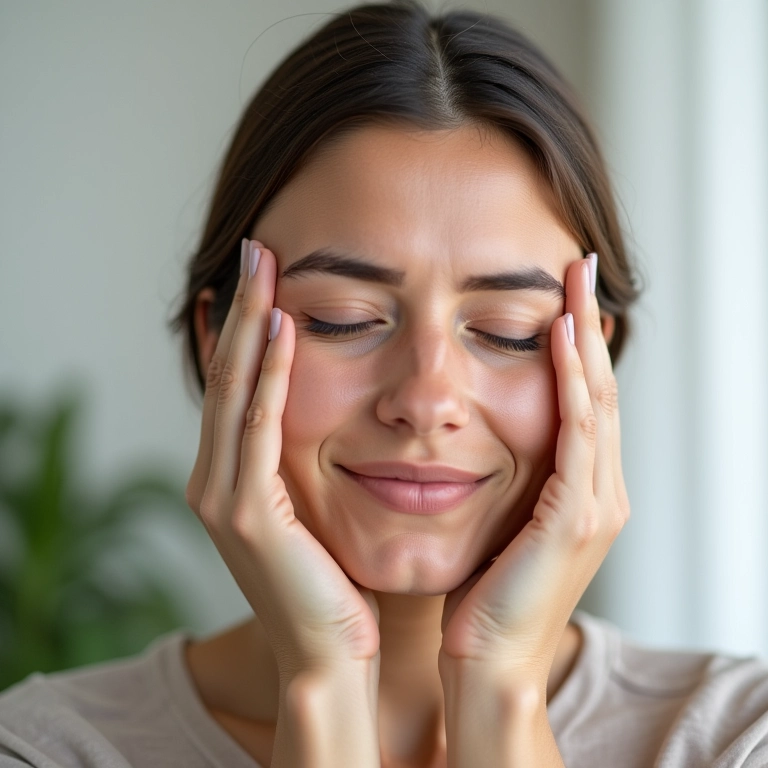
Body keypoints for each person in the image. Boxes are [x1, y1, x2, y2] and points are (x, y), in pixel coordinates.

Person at [2, 1, 768, 766]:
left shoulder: (733, 737)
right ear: (220, 343)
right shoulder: (46, 749)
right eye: (344, 318)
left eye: (510, 331)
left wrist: (501, 694)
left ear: (594, 368)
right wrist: (322, 686)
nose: (428, 399)